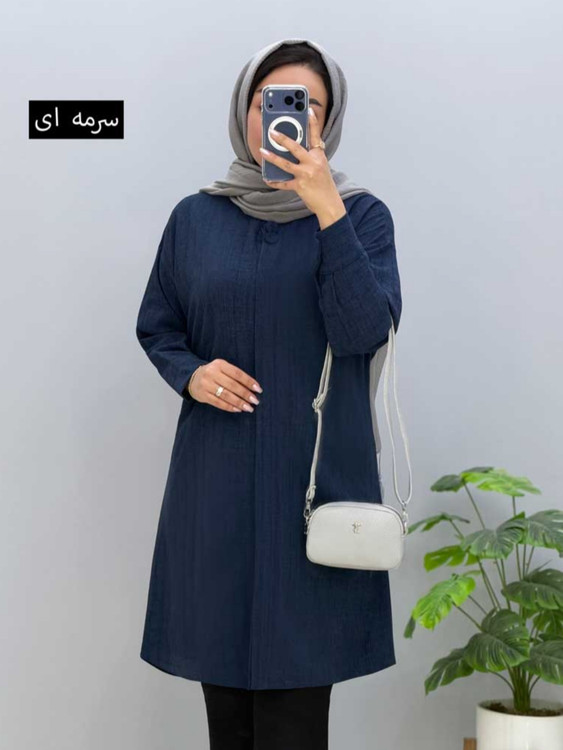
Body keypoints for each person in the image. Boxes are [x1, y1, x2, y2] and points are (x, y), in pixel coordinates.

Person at [136, 37, 404, 750]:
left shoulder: (361, 216)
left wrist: (326, 210)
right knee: (225, 713)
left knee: (294, 718)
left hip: (309, 488)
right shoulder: (195, 218)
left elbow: (363, 331)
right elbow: (158, 326)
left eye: (306, 105)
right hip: (215, 487)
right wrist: (191, 373)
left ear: (328, 119)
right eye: (270, 101)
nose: (284, 118)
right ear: (244, 110)